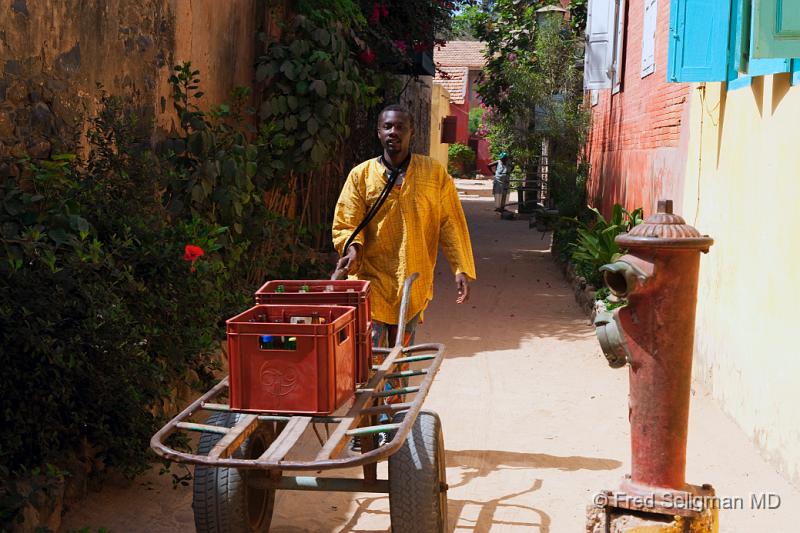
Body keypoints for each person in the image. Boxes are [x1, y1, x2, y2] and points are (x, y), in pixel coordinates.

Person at [332, 103, 477, 353]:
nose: (393, 132)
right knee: (372, 356)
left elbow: (450, 222)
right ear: (378, 132)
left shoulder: (433, 174)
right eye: (387, 126)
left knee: (400, 355)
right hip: (372, 279)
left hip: (414, 281)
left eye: (400, 127)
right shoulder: (361, 175)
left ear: (412, 133)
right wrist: (353, 249)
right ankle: (375, 393)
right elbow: (347, 221)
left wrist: (460, 267)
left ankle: (395, 394)